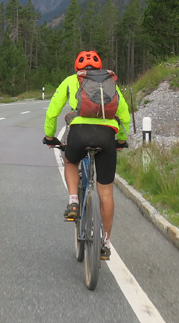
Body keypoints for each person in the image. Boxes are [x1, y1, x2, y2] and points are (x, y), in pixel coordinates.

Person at [43, 50, 130, 259]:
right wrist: (121, 140)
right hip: (107, 136)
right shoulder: (109, 82)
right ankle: (105, 244)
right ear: (99, 68)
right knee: (106, 192)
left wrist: (50, 136)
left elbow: (52, 111)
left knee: (70, 161)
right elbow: (125, 115)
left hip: (79, 133)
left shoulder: (71, 81)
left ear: (78, 68)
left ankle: (74, 201)